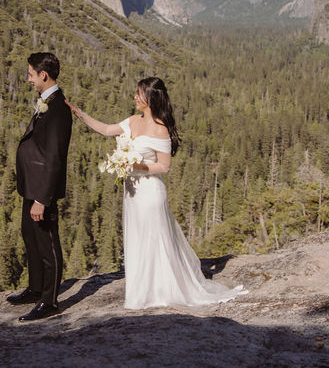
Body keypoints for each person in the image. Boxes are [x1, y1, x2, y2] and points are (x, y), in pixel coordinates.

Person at [67, 77, 246, 310]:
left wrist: (135, 166)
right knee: (137, 238)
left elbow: (164, 167)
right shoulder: (132, 121)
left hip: (150, 191)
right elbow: (106, 129)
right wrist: (79, 113)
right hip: (132, 192)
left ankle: (159, 291)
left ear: (150, 98)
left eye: (138, 93)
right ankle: (142, 291)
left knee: (154, 239)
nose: (134, 97)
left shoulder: (160, 129)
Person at [8, 52, 72, 321]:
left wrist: (43, 199)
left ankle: (50, 301)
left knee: (47, 242)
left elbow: (55, 157)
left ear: (43, 75)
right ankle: (35, 288)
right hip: (30, 186)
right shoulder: (47, 101)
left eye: (31, 74)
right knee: (30, 237)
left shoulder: (58, 108)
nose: (29, 79)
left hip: (41, 191)